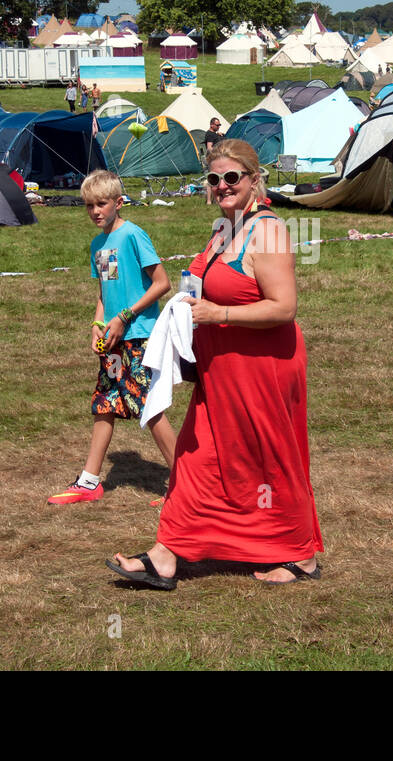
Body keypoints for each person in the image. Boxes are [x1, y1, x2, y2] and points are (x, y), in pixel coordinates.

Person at [108, 139, 323, 589]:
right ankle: (166, 554)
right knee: (197, 455)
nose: (222, 186)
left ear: (253, 178)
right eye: (214, 178)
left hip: (263, 366)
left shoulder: (269, 231)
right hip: (219, 368)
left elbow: (284, 307)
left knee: (270, 458)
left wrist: (218, 315)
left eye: (232, 178)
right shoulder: (224, 228)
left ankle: (299, 553)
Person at [47, 171, 177, 504]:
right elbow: (105, 291)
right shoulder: (98, 244)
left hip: (139, 336)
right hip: (114, 339)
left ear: (118, 202)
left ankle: (186, 485)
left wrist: (125, 317)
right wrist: (98, 323)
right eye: (88, 205)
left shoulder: (133, 235)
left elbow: (163, 283)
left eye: (101, 204)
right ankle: (89, 481)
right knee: (104, 404)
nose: (94, 211)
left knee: (148, 407)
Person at [203, 118, 223, 204]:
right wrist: (217, 154)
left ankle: (215, 200)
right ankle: (208, 201)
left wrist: (218, 135)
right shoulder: (210, 134)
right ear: (212, 125)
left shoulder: (213, 134)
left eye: (219, 125)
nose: (219, 126)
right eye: (217, 125)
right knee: (210, 180)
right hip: (211, 160)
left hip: (215, 160)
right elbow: (209, 148)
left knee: (216, 180)